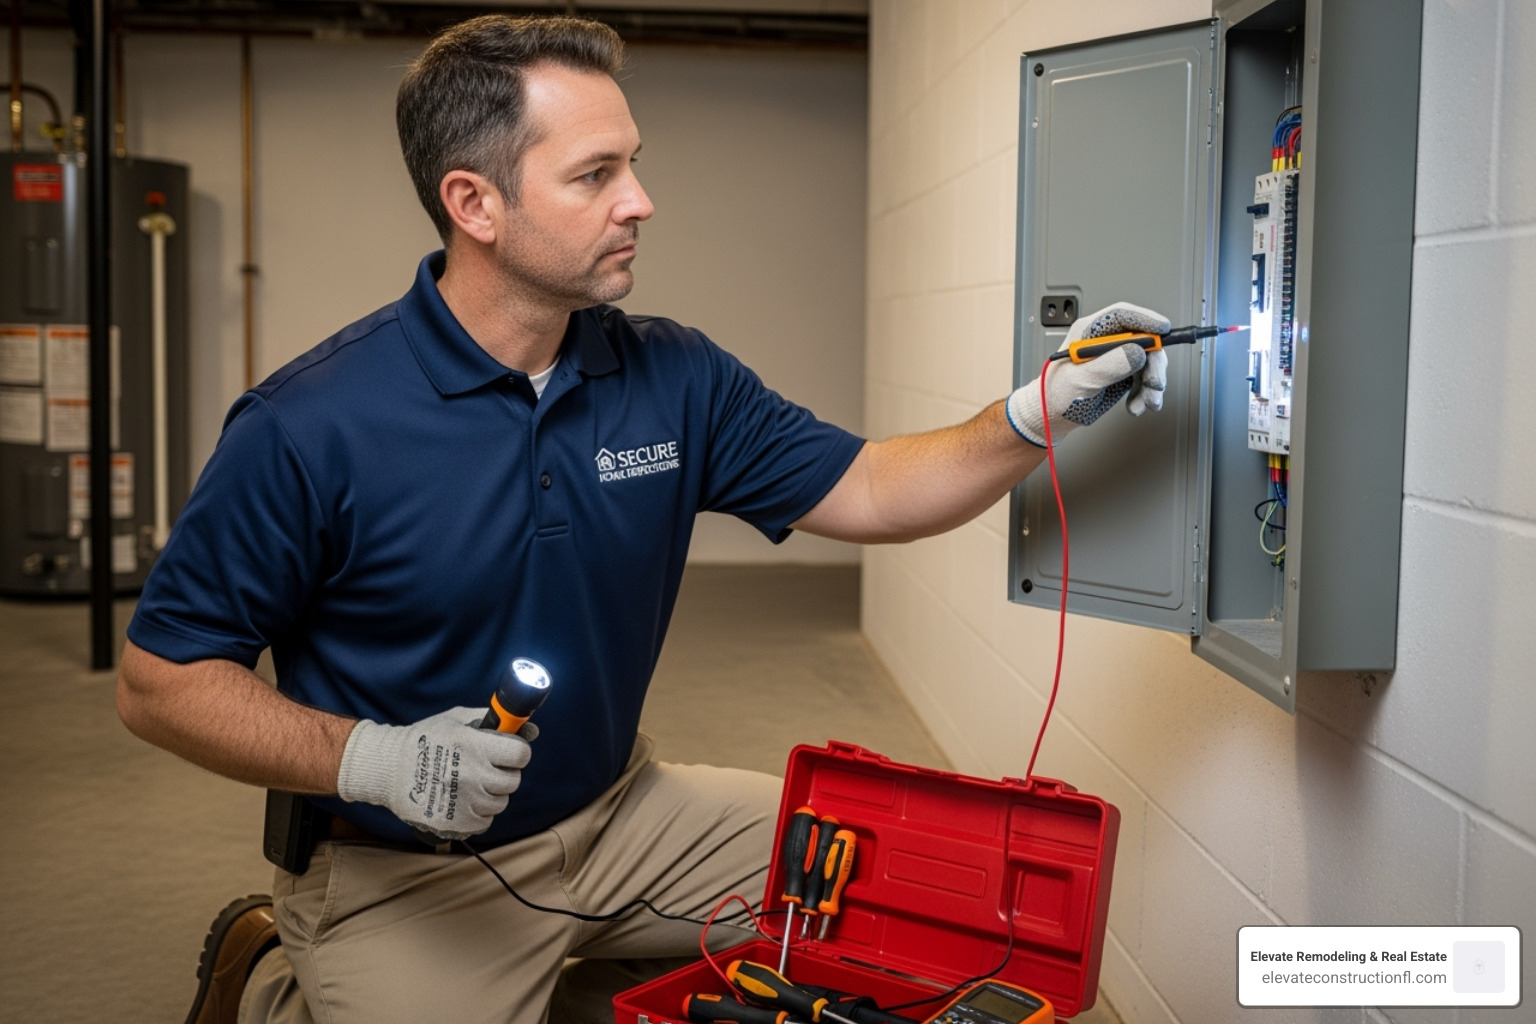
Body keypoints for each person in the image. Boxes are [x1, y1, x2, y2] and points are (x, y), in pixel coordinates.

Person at [117, 14, 1170, 1024]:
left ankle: (576, 987)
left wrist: (1033, 414)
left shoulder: (672, 373)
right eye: (595, 175)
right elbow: (159, 681)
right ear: (474, 203)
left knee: (904, 899)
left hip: (626, 816)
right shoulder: (309, 425)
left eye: (633, 162)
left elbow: (873, 488)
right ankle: (268, 979)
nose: (642, 201)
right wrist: (375, 763)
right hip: (410, 872)